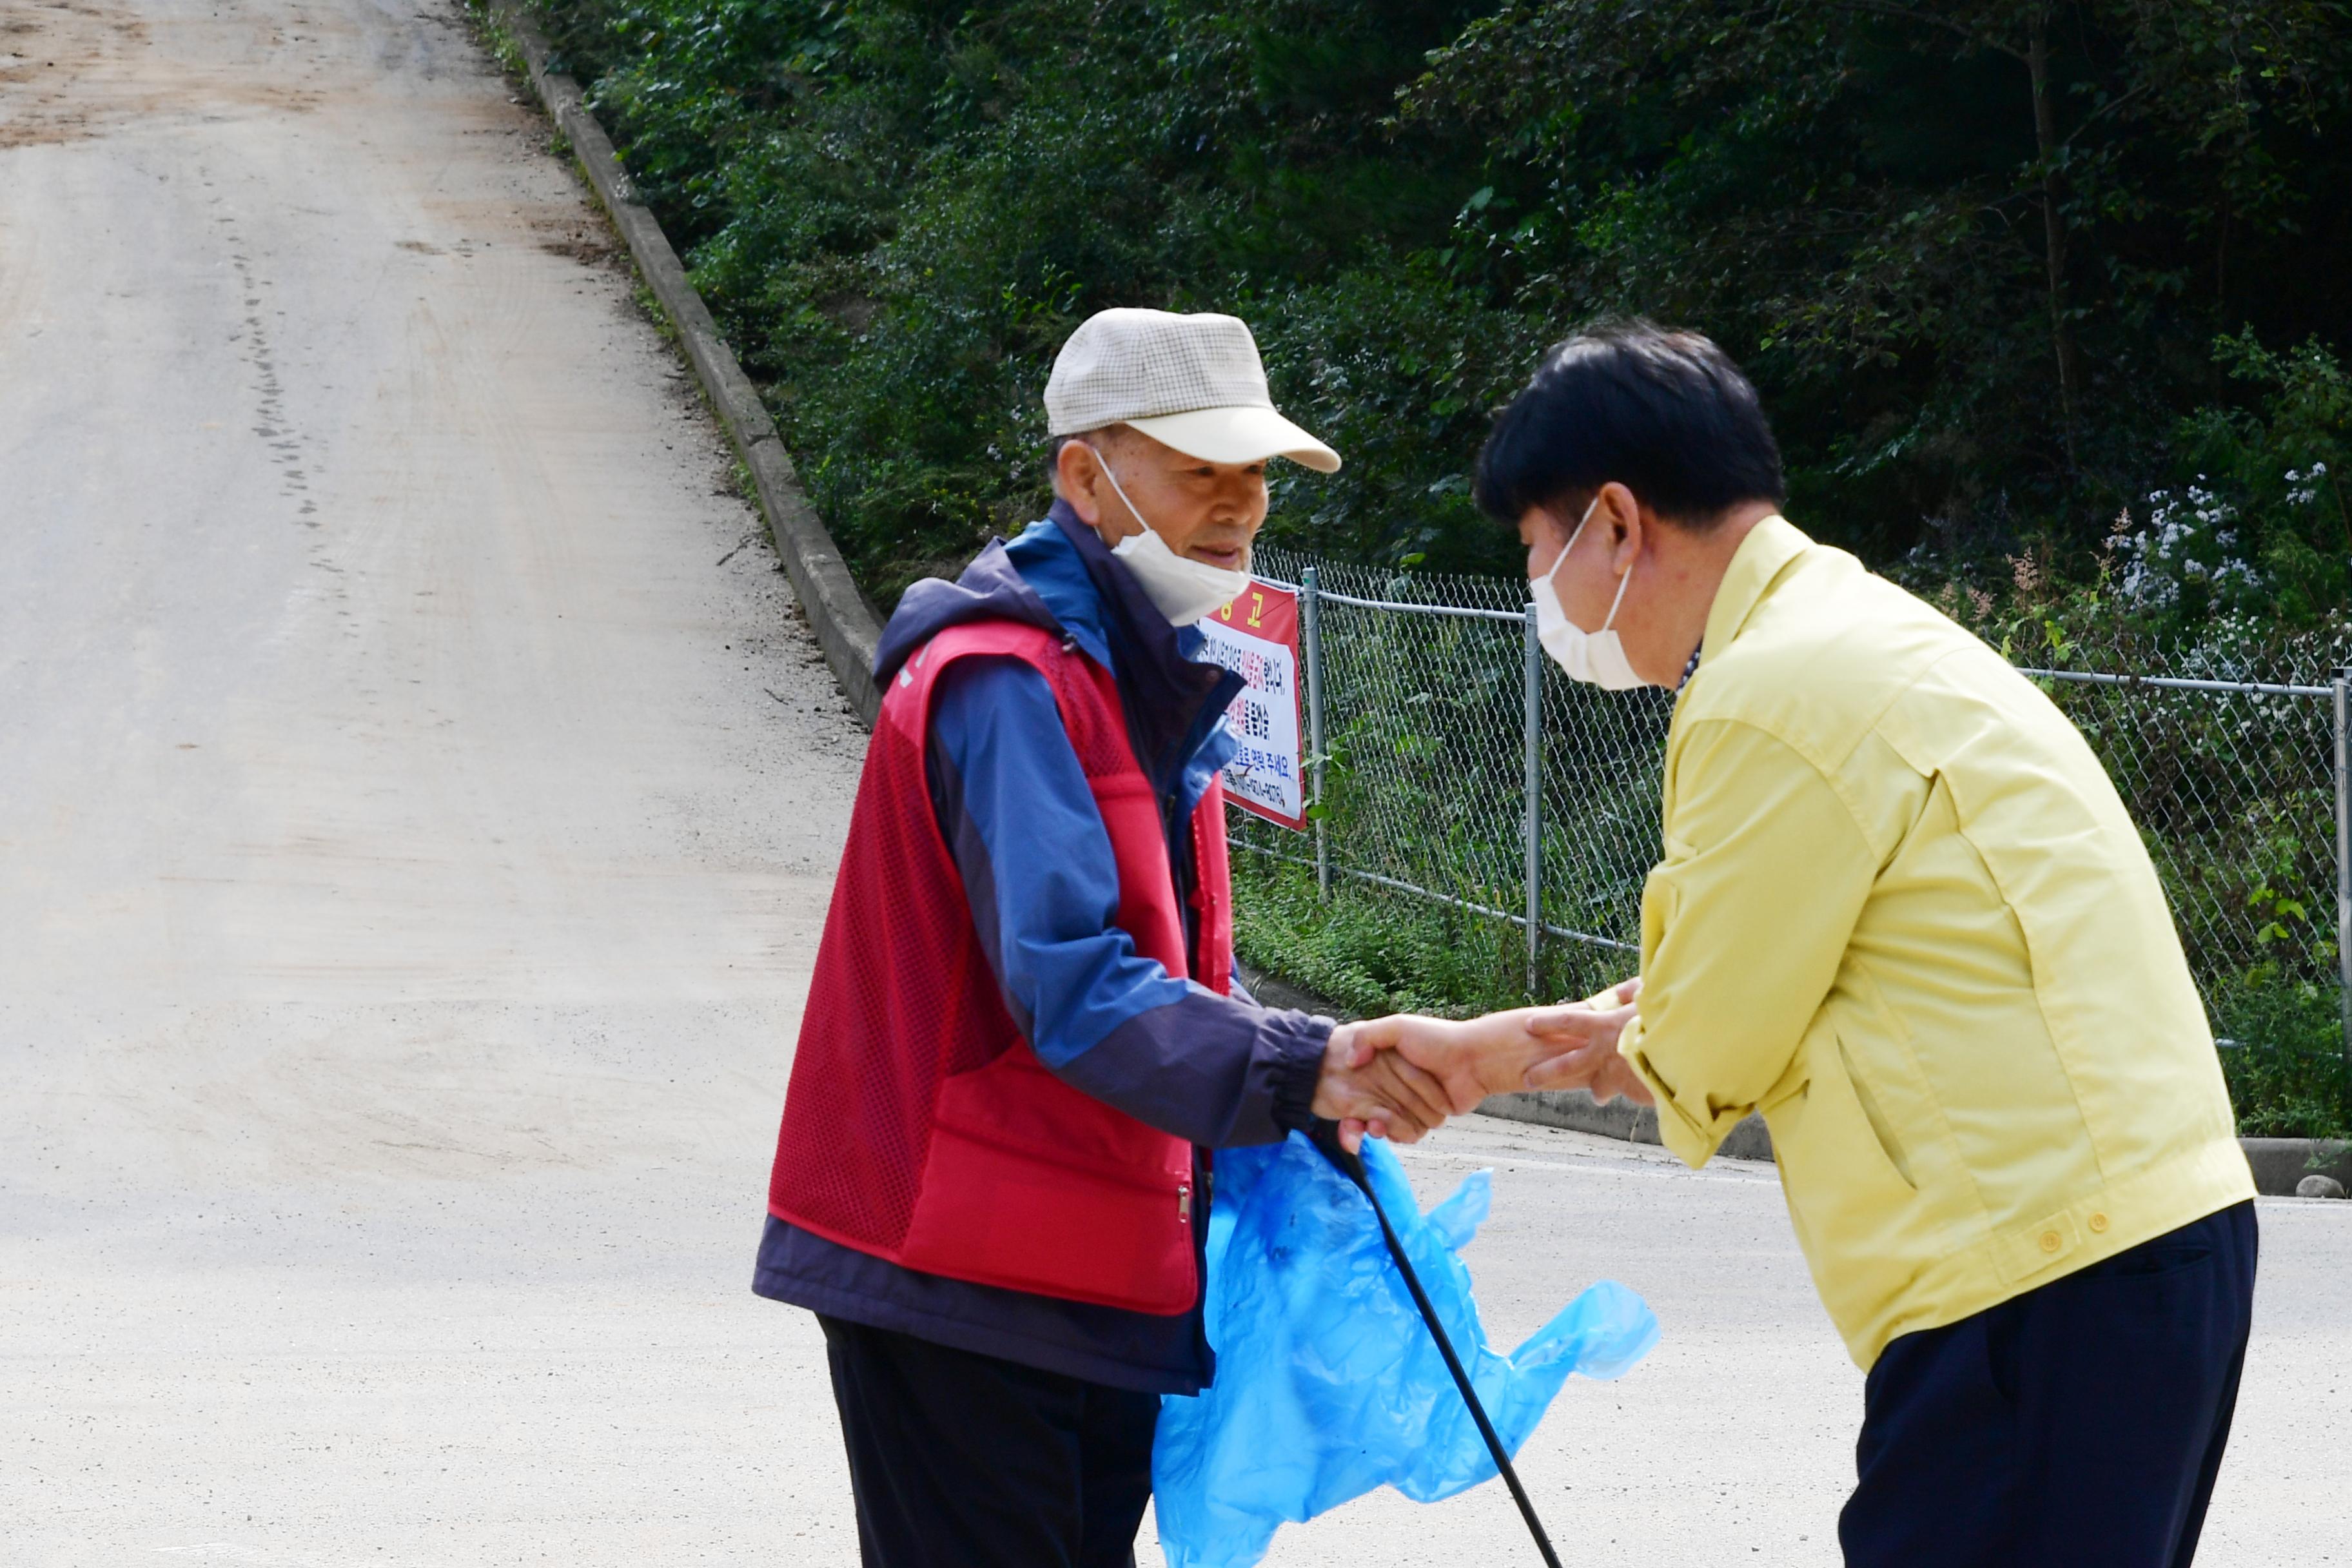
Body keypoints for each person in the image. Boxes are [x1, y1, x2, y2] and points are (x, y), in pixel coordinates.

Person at [1352, 318, 2260, 1567]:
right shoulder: (1858, 633)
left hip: (2036, 1276)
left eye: (1536, 550)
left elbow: (1705, 1042)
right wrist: (1505, 1051)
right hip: (2129, 1246)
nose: (1542, 595)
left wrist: (1479, 1062)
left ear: (1617, 523)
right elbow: (1726, 997)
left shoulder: (1766, 694)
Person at [756, 308, 1544, 1568]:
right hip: (957, 1274)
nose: (1236, 503)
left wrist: (1296, 1106)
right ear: (1086, 473)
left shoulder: (1142, 678)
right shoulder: (1004, 679)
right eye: (1199, 470)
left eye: (1254, 477)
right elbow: (1073, 980)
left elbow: (1181, 978)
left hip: (1087, 1264)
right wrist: (1304, 1066)